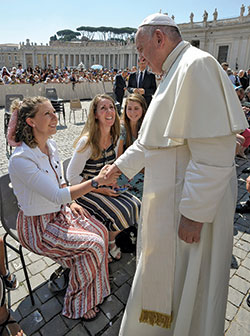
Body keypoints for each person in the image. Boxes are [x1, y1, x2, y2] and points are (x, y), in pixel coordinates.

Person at [105, 13, 248, 336]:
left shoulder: (196, 66)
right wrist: (119, 167)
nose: (139, 58)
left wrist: (194, 215)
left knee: (189, 287)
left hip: (190, 207)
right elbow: (151, 141)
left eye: (142, 49)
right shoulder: (171, 72)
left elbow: (213, 151)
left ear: (160, 38)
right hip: (170, 203)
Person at [8, 96, 119, 321]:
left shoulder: (51, 146)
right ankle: (76, 305)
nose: (55, 117)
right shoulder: (21, 160)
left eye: (53, 112)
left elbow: (61, 184)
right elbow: (57, 194)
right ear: (30, 122)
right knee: (93, 246)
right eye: (47, 114)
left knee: (101, 231)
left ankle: (95, 292)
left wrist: (72, 203)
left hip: (60, 213)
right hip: (38, 227)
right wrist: (97, 181)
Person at [67, 94, 141, 259]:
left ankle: (110, 237)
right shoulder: (87, 142)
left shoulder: (114, 137)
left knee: (136, 204)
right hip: (86, 190)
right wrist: (101, 189)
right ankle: (109, 242)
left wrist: (113, 182)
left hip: (103, 187)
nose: (109, 111)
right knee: (121, 211)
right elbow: (71, 177)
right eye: (103, 108)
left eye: (111, 107)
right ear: (95, 114)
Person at [117, 94, 147, 200]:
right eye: (129, 108)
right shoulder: (122, 128)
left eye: (136, 108)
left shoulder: (146, 128)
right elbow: (119, 159)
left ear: (143, 109)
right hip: (126, 171)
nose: (132, 112)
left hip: (143, 170)